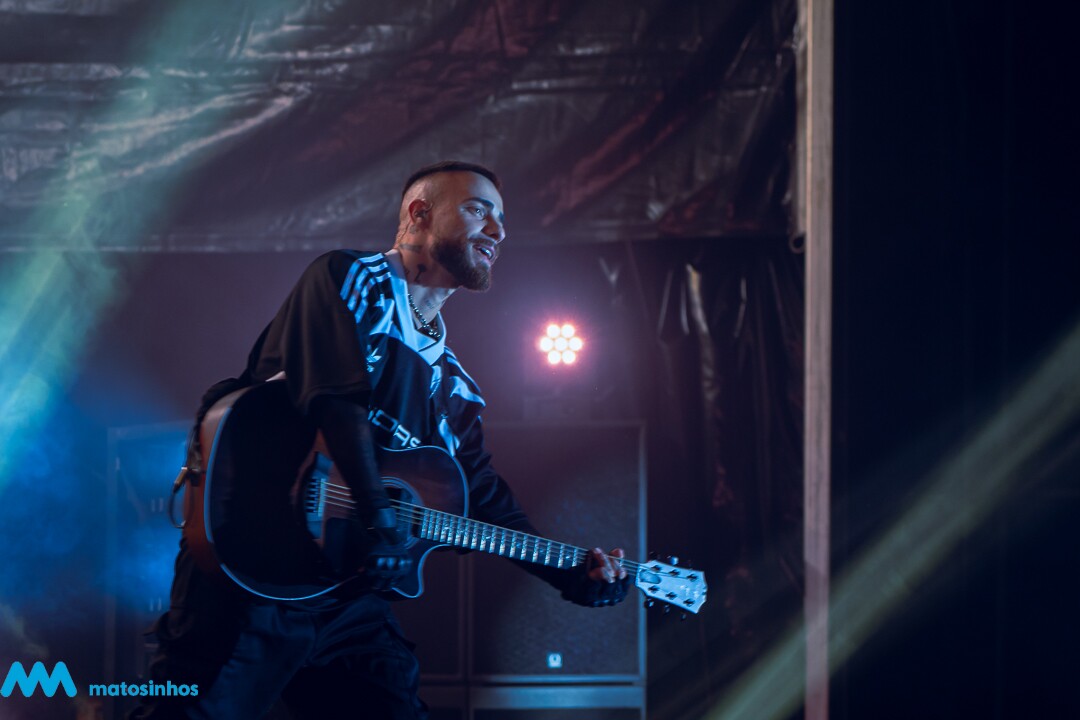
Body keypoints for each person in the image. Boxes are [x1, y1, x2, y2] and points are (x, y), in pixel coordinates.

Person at [132, 161, 629, 720]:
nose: (498, 230)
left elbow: (482, 494)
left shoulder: (455, 386)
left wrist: (568, 573)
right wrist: (377, 514)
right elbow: (335, 399)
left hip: (346, 594)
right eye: (478, 210)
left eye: (502, 219)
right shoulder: (353, 279)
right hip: (256, 565)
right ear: (420, 213)